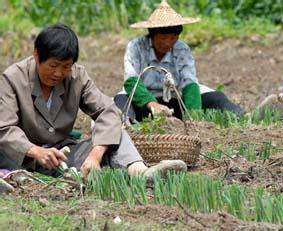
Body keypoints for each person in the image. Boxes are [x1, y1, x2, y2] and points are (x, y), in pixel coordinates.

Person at [0, 24, 186, 180]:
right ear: (36, 55)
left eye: (65, 66)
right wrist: (36, 151)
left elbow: (109, 111)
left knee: (116, 134)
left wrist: (95, 155)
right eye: (53, 66)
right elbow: (5, 129)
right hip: (23, 157)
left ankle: (141, 173)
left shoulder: (77, 76)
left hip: (61, 153)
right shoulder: (13, 79)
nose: (58, 73)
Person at [114, 0, 244, 122]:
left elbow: (189, 82)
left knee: (217, 98)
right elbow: (131, 81)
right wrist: (153, 104)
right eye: (164, 37)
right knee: (120, 103)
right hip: (144, 102)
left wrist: (193, 117)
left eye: (173, 37)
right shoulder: (136, 47)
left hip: (177, 99)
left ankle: (241, 118)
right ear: (152, 34)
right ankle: (128, 127)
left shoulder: (181, 48)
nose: (168, 43)